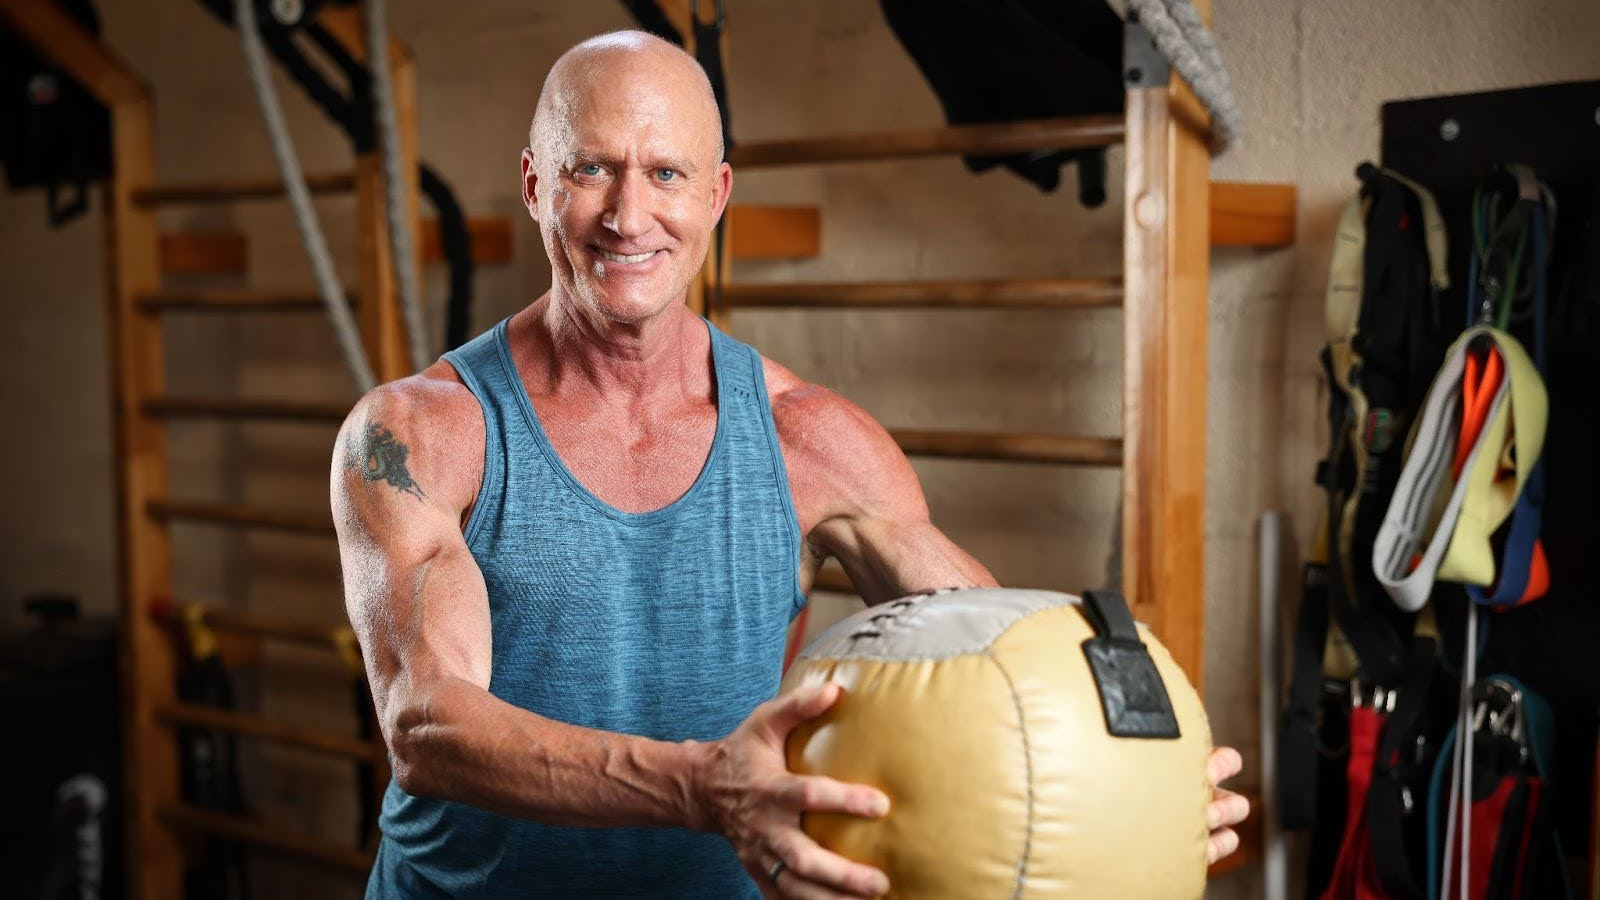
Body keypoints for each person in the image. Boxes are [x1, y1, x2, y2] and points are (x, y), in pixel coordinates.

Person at [332, 29, 1249, 900]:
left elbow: (999, 654)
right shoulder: (421, 436)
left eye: (666, 174)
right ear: (535, 183)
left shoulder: (810, 438)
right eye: (590, 169)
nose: (628, 215)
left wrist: (1136, 782)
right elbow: (427, 723)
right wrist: (701, 786)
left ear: (717, 195)